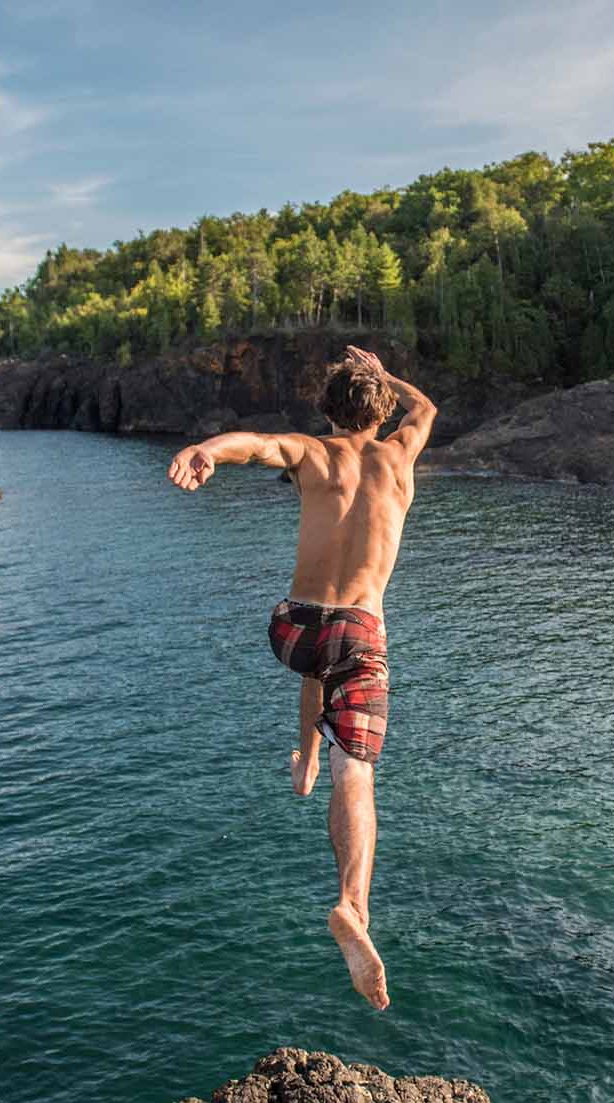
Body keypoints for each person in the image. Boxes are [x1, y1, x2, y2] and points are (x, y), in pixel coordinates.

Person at [166, 346, 436, 1011]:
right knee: (360, 773)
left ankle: (306, 759)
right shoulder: (400, 456)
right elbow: (425, 406)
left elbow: (254, 445)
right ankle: (351, 905)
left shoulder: (312, 454)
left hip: (292, 627)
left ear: (328, 409)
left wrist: (206, 448)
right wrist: (384, 373)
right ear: (379, 410)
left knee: (320, 659)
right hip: (358, 632)